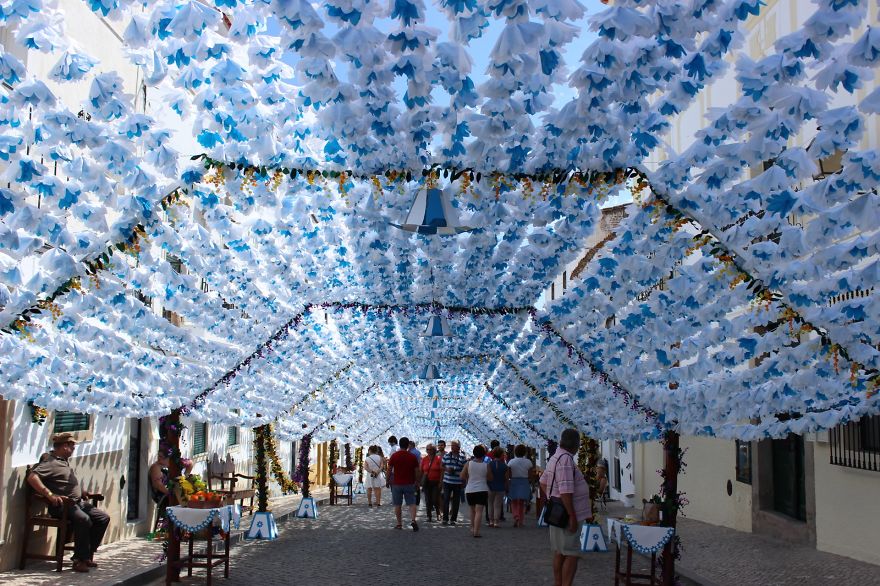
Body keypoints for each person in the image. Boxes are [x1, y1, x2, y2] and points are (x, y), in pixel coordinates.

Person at [27, 432, 110, 573]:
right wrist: (49, 494)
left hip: (77, 503)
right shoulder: (51, 462)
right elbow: (32, 477)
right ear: (64, 446)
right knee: (84, 520)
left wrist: (82, 492)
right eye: (72, 446)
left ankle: (86, 555)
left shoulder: (62, 461)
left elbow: (64, 483)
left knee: (102, 518)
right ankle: (79, 561)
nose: (73, 449)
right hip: (63, 507)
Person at [540, 428, 592, 586]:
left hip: (558, 512)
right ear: (576, 444)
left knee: (560, 552)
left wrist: (551, 497)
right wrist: (572, 516)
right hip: (566, 514)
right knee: (571, 553)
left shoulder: (555, 457)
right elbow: (566, 491)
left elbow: (543, 482)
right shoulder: (566, 460)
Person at [387, 437, 421, 531]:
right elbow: (417, 470)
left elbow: (389, 469)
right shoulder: (412, 457)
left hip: (397, 483)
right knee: (412, 503)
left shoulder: (394, 456)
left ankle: (399, 524)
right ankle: (413, 520)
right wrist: (417, 482)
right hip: (409, 483)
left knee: (397, 504)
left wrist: (387, 480)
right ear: (407, 445)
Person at [460, 444, 492, 538]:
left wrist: (468, 478)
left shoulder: (468, 464)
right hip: (482, 489)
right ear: (484, 454)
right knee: (479, 511)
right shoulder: (486, 465)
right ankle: (476, 532)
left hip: (470, 489)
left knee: (472, 510)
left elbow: (462, 476)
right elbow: (490, 478)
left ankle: (472, 528)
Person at [507, 444, 535, 527]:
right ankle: (521, 520)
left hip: (514, 482)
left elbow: (509, 475)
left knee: (514, 501)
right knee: (522, 502)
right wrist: (533, 485)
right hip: (524, 482)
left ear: (515, 452)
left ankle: (516, 516)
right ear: (524, 452)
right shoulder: (528, 462)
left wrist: (508, 483)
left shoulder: (511, 462)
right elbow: (531, 475)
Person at [441, 440, 467, 525]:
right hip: (447, 481)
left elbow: (465, 469)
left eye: (454, 445)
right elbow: (442, 465)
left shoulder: (462, 457)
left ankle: (453, 519)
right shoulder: (446, 455)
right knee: (446, 500)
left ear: (458, 447)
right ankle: (445, 518)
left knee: (456, 501)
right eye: (452, 445)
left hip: (457, 482)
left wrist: (460, 476)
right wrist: (447, 469)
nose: (452, 447)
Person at [419, 444, 443, 522]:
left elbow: (442, 471)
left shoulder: (438, 459)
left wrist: (441, 482)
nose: (429, 451)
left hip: (436, 482)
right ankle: (429, 516)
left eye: (430, 449)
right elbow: (421, 471)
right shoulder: (424, 459)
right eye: (427, 449)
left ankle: (438, 513)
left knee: (435, 499)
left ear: (434, 450)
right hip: (427, 482)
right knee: (428, 500)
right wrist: (419, 481)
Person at [487, 446, 508, 528]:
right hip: (501, 487)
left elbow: (488, 476)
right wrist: (507, 488)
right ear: (501, 455)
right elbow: (506, 478)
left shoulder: (489, 464)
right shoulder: (505, 466)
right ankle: (496, 522)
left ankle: (491, 521)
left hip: (491, 486)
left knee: (490, 504)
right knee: (498, 505)